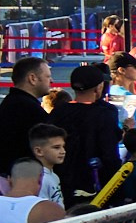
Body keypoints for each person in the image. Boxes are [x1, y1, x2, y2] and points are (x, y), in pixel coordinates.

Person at [51, 62, 126, 206]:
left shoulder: (59, 112)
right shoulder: (104, 114)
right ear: (99, 87)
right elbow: (109, 154)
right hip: (94, 182)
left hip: (61, 180)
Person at [0, 57, 51, 177]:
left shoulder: (14, 102)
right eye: (47, 76)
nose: (51, 80)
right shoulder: (28, 109)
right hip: (22, 179)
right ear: (32, 78)